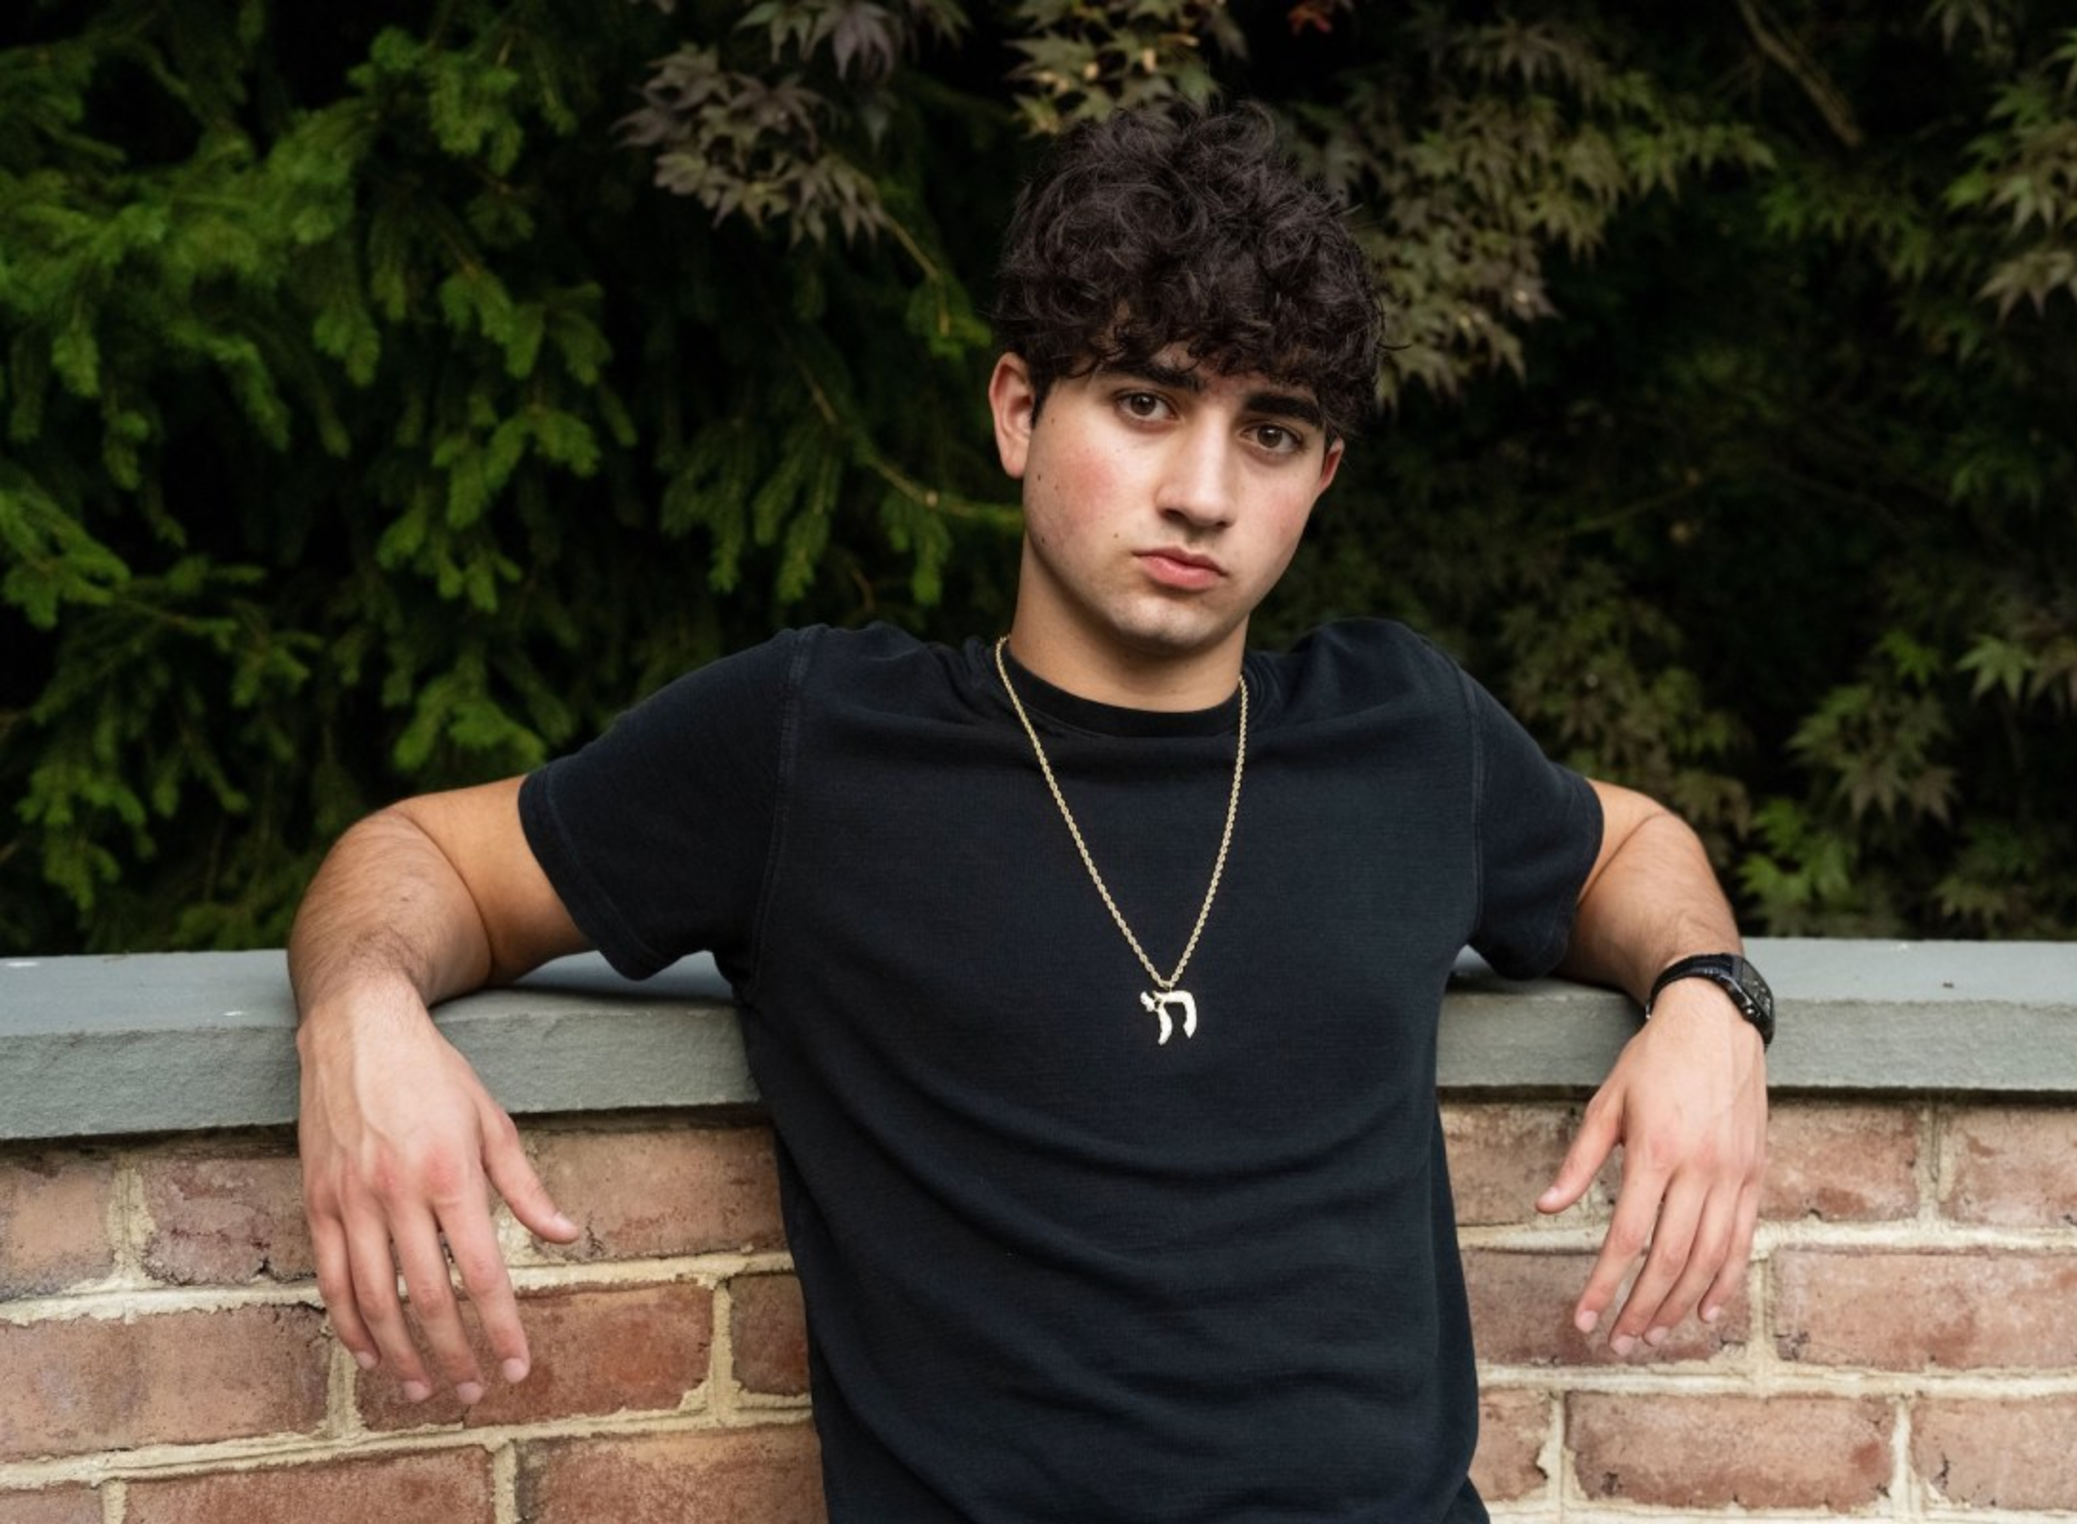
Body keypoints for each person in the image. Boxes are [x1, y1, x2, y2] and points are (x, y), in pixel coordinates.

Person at [290, 101, 1769, 1522]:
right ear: (1017, 411)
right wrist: (361, 1016)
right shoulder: (814, 743)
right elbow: (426, 859)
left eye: (1268, 433)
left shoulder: (1404, 731)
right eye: (1145, 403)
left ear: (1320, 476)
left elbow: (1628, 850)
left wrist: (1707, 997)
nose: (1202, 491)